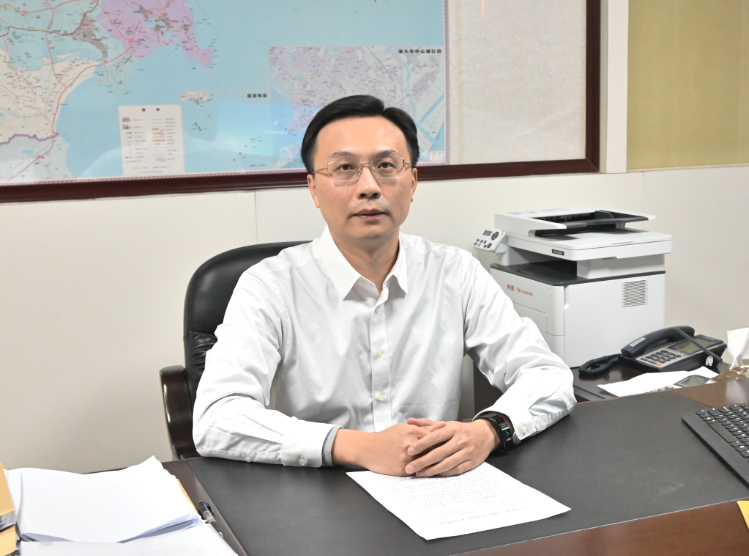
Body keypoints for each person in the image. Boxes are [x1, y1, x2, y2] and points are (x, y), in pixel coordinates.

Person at [193, 95, 575, 477]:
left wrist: (489, 430)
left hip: (434, 484)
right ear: (313, 189)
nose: (369, 187)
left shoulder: (456, 273)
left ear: (413, 182)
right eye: (345, 168)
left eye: (386, 166)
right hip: (317, 487)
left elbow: (547, 375)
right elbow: (217, 418)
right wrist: (357, 447)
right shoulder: (270, 286)